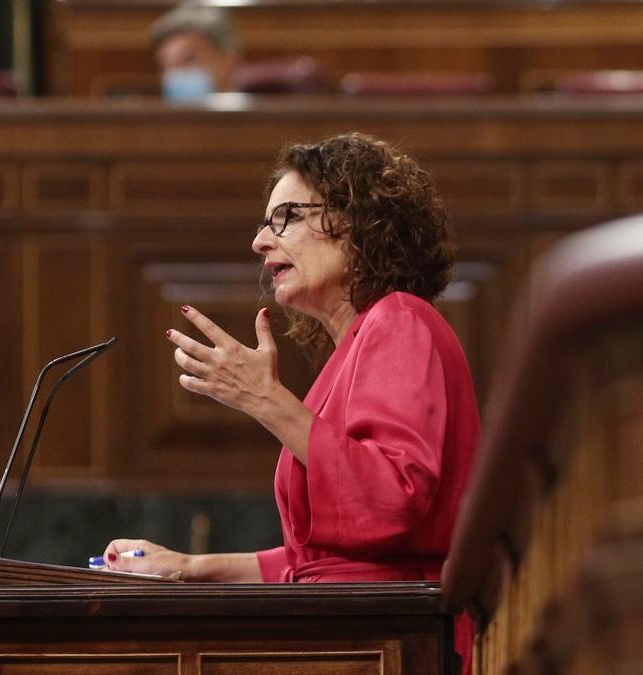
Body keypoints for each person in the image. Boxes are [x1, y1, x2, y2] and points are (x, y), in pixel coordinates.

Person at [104, 132, 478, 670]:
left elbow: (391, 502)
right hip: (361, 636)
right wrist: (187, 567)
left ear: (356, 222)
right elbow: (317, 564)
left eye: (286, 218)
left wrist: (266, 399)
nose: (260, 241)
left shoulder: (400, 321)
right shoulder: (357, 346)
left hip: (397, 645)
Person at [150, 3, 240, 102]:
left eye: (188, 60)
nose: (176, 74)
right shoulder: (155, 116)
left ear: (228, 60)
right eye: (166, 65)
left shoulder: (256, 113)